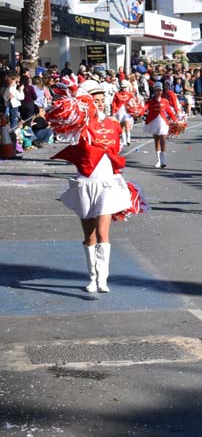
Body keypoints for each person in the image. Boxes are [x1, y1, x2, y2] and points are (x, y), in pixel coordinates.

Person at [49, 80, 146, 294]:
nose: (101, 104)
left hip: (108, 183)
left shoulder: (112, 124)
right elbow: (65, 129)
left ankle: (103, 278)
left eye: (103, 100)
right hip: (86, 183)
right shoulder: (80, 127)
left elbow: (115, 150)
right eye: (96, 101)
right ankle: (92, 277)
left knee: (103, 232)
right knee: (89, 236)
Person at [142, 82, 174, 169]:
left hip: (163, 122)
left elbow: (170, 112)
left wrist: (176, 120)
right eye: (156, 90)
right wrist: (139, 112)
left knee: (163, 139)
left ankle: (163, 160)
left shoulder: (165, 101)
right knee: (157, 141)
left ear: (161, 91)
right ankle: (159, 161)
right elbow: (144, 108)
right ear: (154, 91)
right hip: (154, 122)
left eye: (160, 90)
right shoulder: (151, 102)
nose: (158, 92)